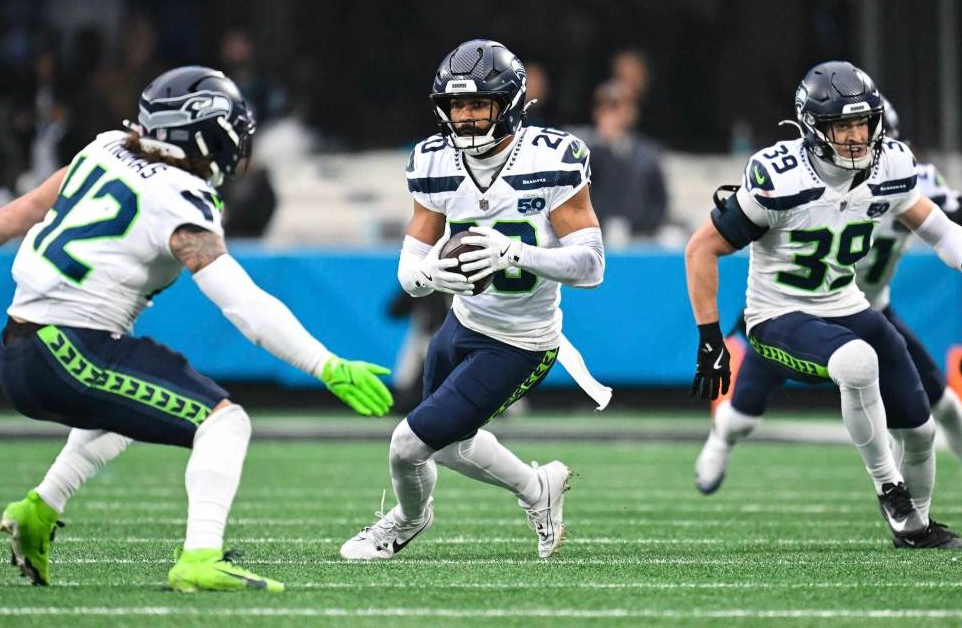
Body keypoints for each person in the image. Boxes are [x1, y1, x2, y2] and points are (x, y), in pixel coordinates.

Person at [0, 66, 394, 591]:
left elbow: (12, 216)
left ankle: (39, 510)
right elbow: (241, 301)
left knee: (121, 412)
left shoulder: (105, 150)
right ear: (205, 136)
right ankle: (200, 557)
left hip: (19, 348)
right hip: (67, 348)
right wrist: (324, 363)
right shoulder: (178, 196)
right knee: (224, 422)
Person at [340, 39, 606, 561]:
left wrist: (516, 253)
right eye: (455, 106)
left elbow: (591, 267)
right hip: (462, 324)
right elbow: (410, 264)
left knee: (407, 445)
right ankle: (539, 489)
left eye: (477, 105)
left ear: (507, 105)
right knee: (446, 442)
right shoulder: (433, 161)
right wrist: (430, 274)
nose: (463, 118)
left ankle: (406, 521)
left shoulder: (553, 159)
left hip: (522, 340)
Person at [685, 61, 962, 549]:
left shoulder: (893, 167)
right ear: (814, 127)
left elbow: (941, 232)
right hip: (777, 314)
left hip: (848, 304)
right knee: (855, 363)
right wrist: (711, 338)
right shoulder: (780, 178)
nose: (856, 137)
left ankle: (915, 528)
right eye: (842, 125)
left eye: (862, 123)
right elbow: (701, 248)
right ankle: (889, 489)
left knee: (919, 432)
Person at [587, 80, 668, 241]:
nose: (613, 116)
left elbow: (659, 203)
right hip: (595, 238)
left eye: (618, 108)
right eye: (606, 108)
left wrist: (634, 227)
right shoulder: (583, 153)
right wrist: (605, 148)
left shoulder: (648, 154)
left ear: (632, 112)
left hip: (641, 238)